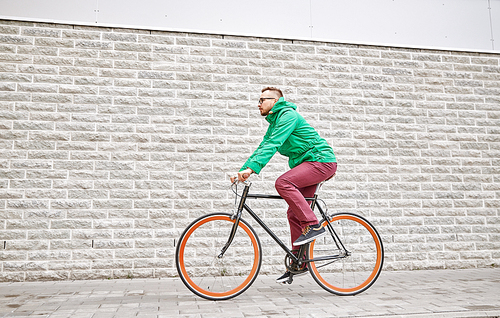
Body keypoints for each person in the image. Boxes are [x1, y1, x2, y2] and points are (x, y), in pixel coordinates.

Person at [231, 87, 337, 283]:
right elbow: (264, 145)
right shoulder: (275, 123)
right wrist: (244, 169)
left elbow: (274, 144)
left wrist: (253, 170)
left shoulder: (288, 115)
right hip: (310, 163)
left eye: (262, 99)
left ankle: (313, 224)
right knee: (293, 212)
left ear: (275, 101)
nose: (258, 103)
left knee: (283, 182)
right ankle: (300, 261)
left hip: (321, 161)